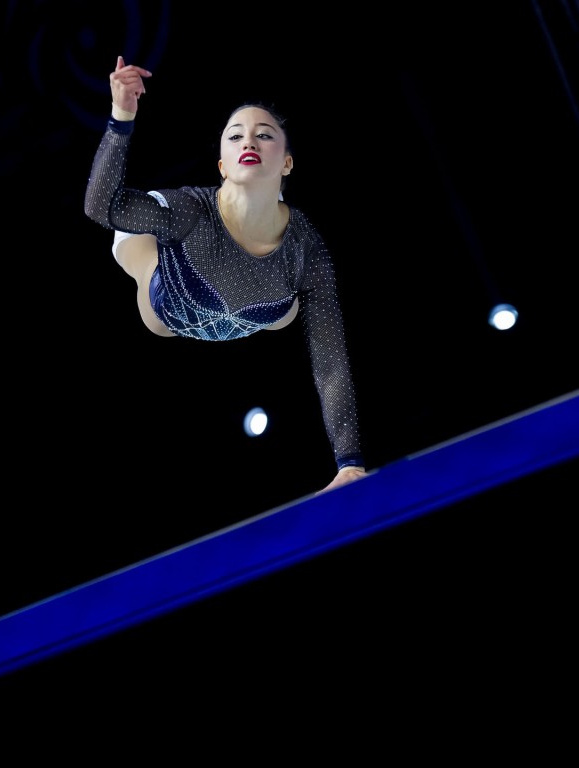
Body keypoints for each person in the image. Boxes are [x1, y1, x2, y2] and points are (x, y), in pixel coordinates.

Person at [84, 55, 369, 495]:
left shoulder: (306, 248)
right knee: (134, 245)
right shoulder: (189, 211)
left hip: (263, 307)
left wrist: (349, 463)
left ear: (287, 163)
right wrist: (121, 116)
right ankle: (144, 246)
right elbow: (99, 207)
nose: (248, 140)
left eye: (264, 134)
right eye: (235, 136)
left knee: (287, 310)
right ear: (222, 165)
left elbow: (329, 360)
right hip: (170, 303)